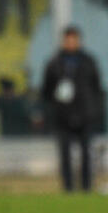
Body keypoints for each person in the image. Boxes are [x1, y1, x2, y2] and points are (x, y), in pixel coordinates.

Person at [41, 25, 104, 192]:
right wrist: (54, 108)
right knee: (65, 154)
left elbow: (96, 88)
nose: (70, 43)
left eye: (73, 39)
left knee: (86, 153)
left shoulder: (88, 62)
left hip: (85, 114)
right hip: (62, 115)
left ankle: (86, 187)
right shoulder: (55, 63)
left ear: (79, 41)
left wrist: (95, 110)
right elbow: (47, 90)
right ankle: (68, 187)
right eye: (67, 40)